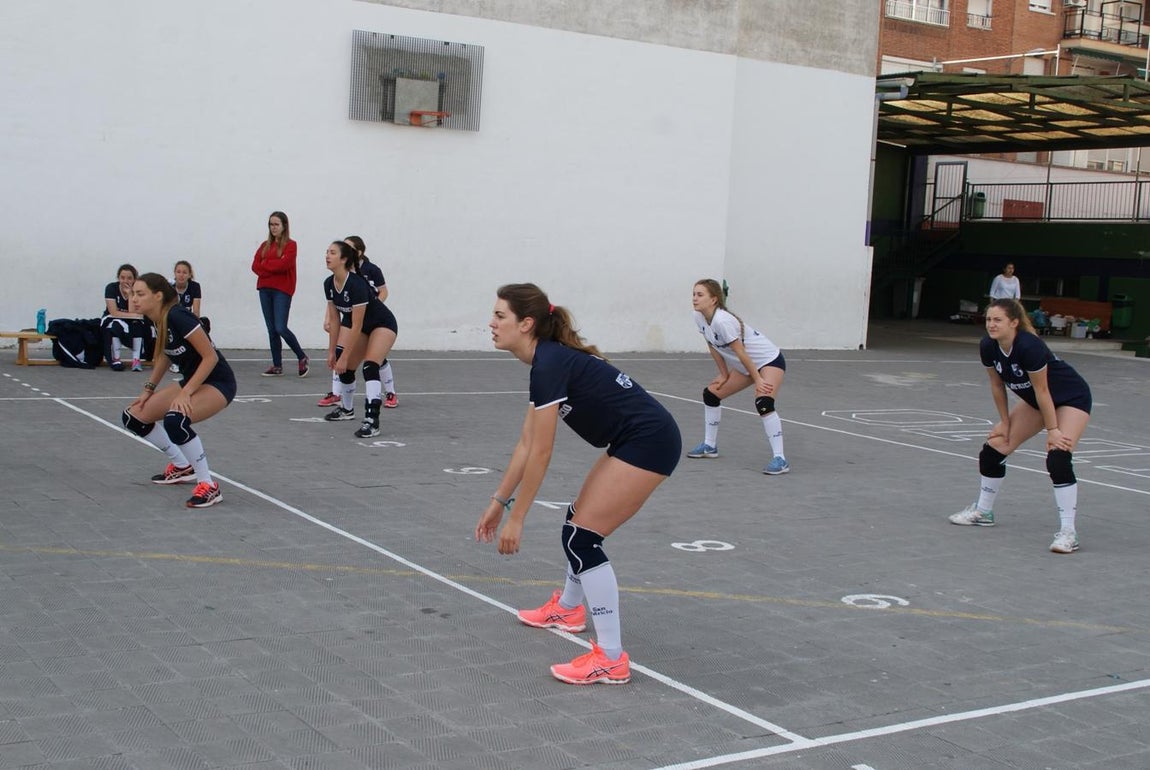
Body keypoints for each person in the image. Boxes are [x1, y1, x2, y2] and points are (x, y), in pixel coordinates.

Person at [475, 283, 681, 685]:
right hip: (635, 439)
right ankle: (569, 609)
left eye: (500, 316)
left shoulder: (550, 363)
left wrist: (517, 518)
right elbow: (526, 442)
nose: (492, 323)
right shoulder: (545, 363)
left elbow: (542, 453)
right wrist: (499, 502)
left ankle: (610, 657)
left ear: (527, 323)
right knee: (576, 523)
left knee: (581, 538)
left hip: (650, 441)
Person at [948, 298, 1092, 554]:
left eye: (998, 320)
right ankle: (983, 511)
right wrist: (1004, 422)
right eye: (989, 319)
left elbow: (1043, 390)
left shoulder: (1029, 346)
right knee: (993, 449)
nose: (991, 325)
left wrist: (1053, 430)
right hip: (1036, 402)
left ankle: (1068, 532)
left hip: (1070, 397)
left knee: (1058, 457)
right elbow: (996, 385)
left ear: (1014, 322)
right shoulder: (988, 347)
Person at [121, 273, 237, 508]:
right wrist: (148, 389)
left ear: (158, 296)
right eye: (133, 294)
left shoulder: (178, 315)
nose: (134, 299)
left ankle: (208, 485)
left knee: (176, 420)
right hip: (193, 382)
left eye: (140, 294)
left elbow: (210, 357)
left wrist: (186, 392)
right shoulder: (157, 319)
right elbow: (166, 353)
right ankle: (182, 465)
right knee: (133, 416)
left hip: (218, 382)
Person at [686, 279, 790, 474]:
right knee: (711, 394)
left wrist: (759, 380)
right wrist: (724, 374)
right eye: (693, 294)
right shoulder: (698, 316)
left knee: (764, 403)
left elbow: (741, 353)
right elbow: (712, 344)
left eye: (700, 295)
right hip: (745, 365)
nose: (694, 298)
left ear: (714, 300)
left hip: (768, 361)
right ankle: (710, 446)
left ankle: (780, 459)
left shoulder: (722, 321)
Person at [321, 241, 398, 438]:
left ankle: (372, 420)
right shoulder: (329, 284)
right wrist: (332, 353)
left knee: (370, 366)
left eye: (332, 253)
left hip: (382, 324)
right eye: (327, 252)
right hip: (362, 328)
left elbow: (356, 325)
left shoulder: (357, 284)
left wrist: (345, 355)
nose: (327, 256)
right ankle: (347, 410)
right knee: (344, 369)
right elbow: (335, 322)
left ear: (344, 259)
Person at [251, 211, 309, 377]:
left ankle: (302, 356)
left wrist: (266, 264)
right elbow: (255, 266)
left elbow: (284, 265)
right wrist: (271, 265)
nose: (273, 227)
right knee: (272, 329)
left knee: (281, 327)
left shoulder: (291, 245)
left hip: (282, 290)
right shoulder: (264, 245)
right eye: (271, 224)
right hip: (264, 289)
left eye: (276, 224)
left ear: (284, 226)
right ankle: (277, 365)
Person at [100, 264, 151, 372]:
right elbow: (113, 312)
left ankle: (136, 360)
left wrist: (130, 295)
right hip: (112, 318)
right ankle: (116, 358)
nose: (125, 281)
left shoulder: (138, 291)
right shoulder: (111, 288)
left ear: (134, 279)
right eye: (122, 278)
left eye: (129, 278)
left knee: (138, 325)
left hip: (130, 320)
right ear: (118, 278)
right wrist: (134, 315)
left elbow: (133, 311)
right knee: (116, 325)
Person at [172, 260, 210, 334]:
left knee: (205, 321)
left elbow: (196, 311)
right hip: (172, 320)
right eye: (178, 272)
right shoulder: (169, 286)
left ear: (189, 275)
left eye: (184, 272)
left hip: (187, 319)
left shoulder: (194, 286)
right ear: (175, 273)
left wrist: (194, 326)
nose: (181, 275)